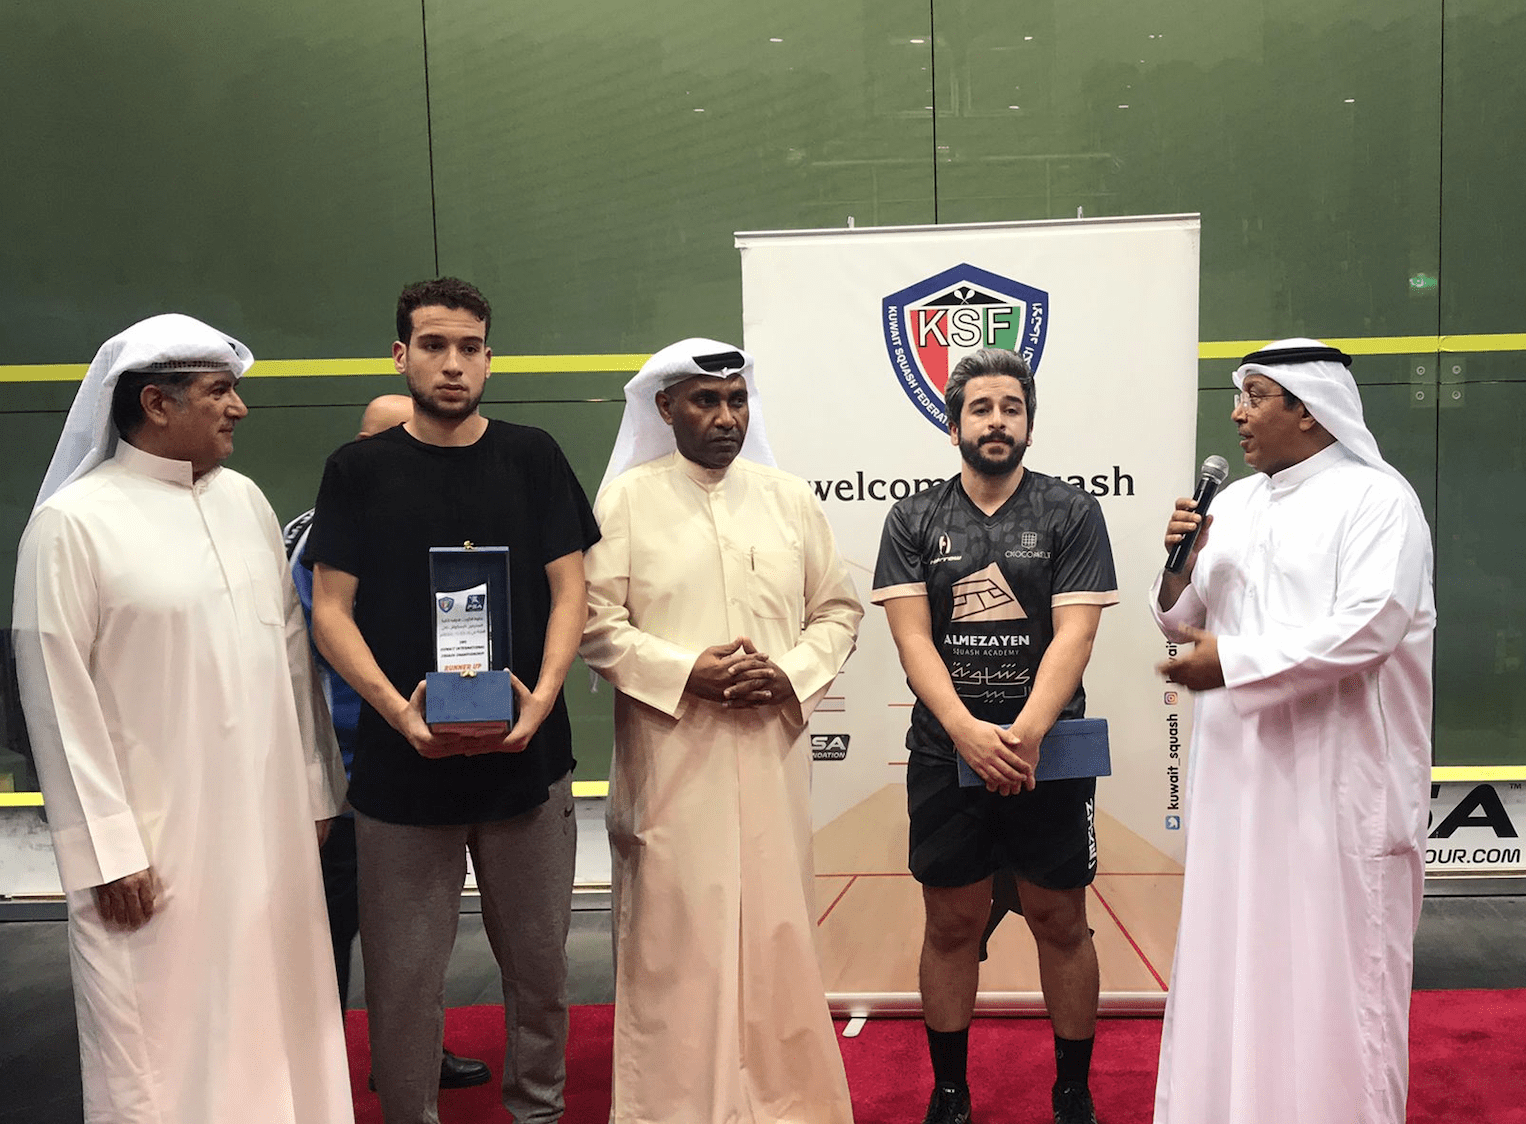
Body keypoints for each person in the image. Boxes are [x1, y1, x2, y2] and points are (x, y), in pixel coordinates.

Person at [13, 313, 352, 1124]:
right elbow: (54, 697)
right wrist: (106, 849)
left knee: (282, 1019)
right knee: (161, 1043)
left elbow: (295, 662)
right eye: (220, 392)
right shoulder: (72, 525)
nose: (238, 408)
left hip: (271, 836)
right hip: (154, 852)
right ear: (156, 404)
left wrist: (314, 793)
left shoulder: (247, 503)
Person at [306, 277, 599, 1124]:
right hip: (404, 777)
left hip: (528, 768)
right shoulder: (356, 471)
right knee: (402, 987)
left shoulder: (534, 454)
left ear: (489, 357)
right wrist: (401, 715)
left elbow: (571, 591)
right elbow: (331, 611)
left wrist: (540, 701)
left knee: (542, 973)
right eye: (433, 345)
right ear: (400, 355)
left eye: (470, 346)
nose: (453, 363)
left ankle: (537, 1110)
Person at [1151, 338, 1435, 1124]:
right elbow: (1180, 618)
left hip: (1338, 789)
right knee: (1237, 967)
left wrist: (1233, 663)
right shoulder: (1234, 504)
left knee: (1333, 982)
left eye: (1255, 396)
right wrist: (1179, 564)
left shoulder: (1378, 501)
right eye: (1238, 396)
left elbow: (1370, 628)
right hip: (1237, 792)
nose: (1238, 415)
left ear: (1309, 410)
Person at [579, 337, 863, 1124]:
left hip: (770, 756)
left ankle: (789, 1105)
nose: (725, 417)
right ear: (665, 408)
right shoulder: (626, 502)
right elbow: (593, 623)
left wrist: (792, 673)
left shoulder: (788, 499)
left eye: (737, 400)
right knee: (677, 944)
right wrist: (686, 673)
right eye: (706, 401)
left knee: (776, 937)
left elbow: (837, 611)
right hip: (673, 761)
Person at [872, 347, 1117, 1124]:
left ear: (1029, 426)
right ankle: (950, 1093)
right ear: (953, 427)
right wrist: (967, 733)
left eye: (1012, 408)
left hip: (1051, 754)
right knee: (951, 924)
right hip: (947, 754)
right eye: (981, 408)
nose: (997, 421)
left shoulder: (1071, 512)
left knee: (1062, 922)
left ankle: (1072, 1090)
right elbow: (913, 642)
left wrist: (1025, 735)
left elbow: (1074, 637)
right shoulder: (913, 518)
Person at [283, 392, 490, 1091]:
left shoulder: (440, 524)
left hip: (423, 752)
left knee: (411, 935)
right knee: (332, 928)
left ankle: (411, 1058)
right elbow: (332, 645)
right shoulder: (319, 538)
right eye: (390, 438)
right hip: (344, 765)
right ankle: (325, 1074)